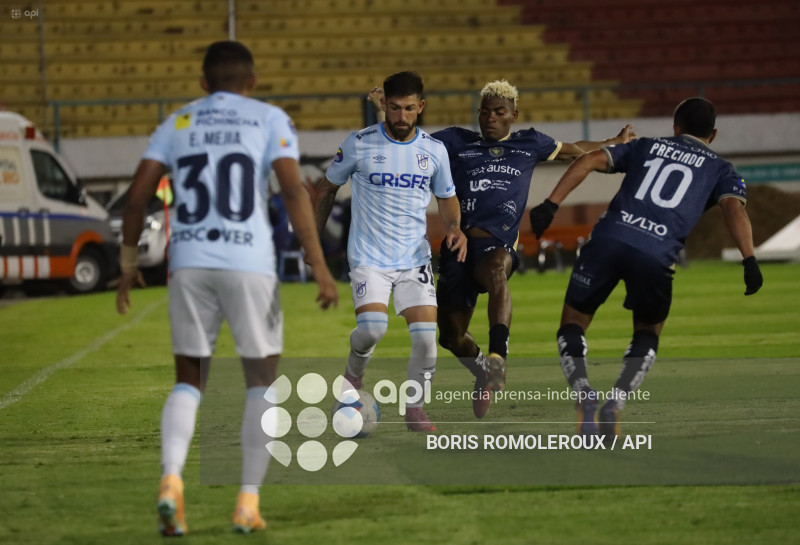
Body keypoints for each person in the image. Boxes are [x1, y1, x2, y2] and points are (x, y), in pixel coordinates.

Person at [116, 41, 338, 536]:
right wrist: (319, 263)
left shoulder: (176, 122)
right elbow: (291, 190)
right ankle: (247, 503)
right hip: (249, 264)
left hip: (189, 263)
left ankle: (171, 480)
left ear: (203, 83)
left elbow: (135, 200)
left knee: (188, 380)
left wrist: (128, 266)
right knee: (260, 383)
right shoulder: (269, 118)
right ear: (251, 82)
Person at [367, 80, 634, 419]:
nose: (490, 117)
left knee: (496, 271)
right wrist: (383, 109)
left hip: (498, 244)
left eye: (498, 112)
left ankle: (497, 358)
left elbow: (577, 149)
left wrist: (615, 143)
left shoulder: (529, 143)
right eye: (484, 111)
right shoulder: (455, 141)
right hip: (459, 246)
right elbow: (409, 143)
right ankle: (482, 369)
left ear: (513, 115)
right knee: (451, 337)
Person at [528, 96, 763, 441]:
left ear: (676, 128)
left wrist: (551, 204)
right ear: (713, 134)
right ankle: (616, 401)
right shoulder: (721, 169)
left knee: (573, 323)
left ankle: (583, 392)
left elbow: (590, 159)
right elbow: (734, 210)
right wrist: (750, 258)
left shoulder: (647, 146)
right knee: (648, 331)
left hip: (607, 240)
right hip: (655, 254)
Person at [314, 71, 467, 432]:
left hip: (414, 259)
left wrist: (454, 227)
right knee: (372, 330)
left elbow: (447, 198)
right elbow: (326, 189)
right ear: (384, 104)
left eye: (409, 108)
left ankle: (415, 409)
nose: (401, 116)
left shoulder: (434, 150)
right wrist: (312, 240)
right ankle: (353, 378)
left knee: (426, 341)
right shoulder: (359, 143)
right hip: (369, 257)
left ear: (421, 106)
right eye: (394, 108)